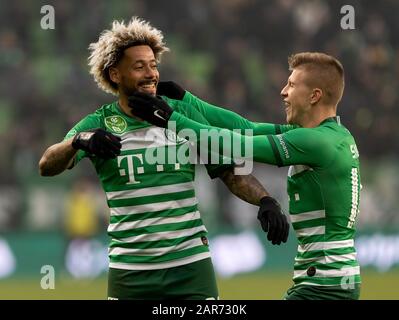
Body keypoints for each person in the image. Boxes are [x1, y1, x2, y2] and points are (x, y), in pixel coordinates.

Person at [38, 17, 289, 300]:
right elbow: (47, 164)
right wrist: (78, 141)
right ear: (115, 74)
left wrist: (266, 200)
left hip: (190, 266)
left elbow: (231, 173)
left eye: (153, 65)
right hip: (129, 270)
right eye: (139, 66)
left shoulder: (179, 115)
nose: (151, 73)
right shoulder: (99, 123)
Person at [128, 52, 362, 300]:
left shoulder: (314, 141)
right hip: (330, 280)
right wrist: (188, 100)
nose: (283, 91)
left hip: (324, 285)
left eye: (292, 85)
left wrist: (171, 119)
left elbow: (237, 145)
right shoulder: (330, 135)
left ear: (315, 96)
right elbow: (245, 127)